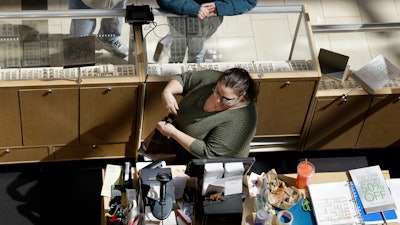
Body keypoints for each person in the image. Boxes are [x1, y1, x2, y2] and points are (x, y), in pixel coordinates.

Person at [156, 68, 259, 164]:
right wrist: (167, 92)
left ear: (242, 96)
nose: (217, 100)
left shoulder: (242, 120)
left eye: (226, 99)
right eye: (217, 92)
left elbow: (210, 154)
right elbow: (184, 79)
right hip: (177, 149)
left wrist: (174, 133)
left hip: (207, 166)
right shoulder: (212, 79)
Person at [156, 0, 258, 63]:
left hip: (207, 21)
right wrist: (193, 8)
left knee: (196, 46)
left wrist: (219, 7)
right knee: (182, 43)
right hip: (180, 17)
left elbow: (249, 1)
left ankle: (190, 71)